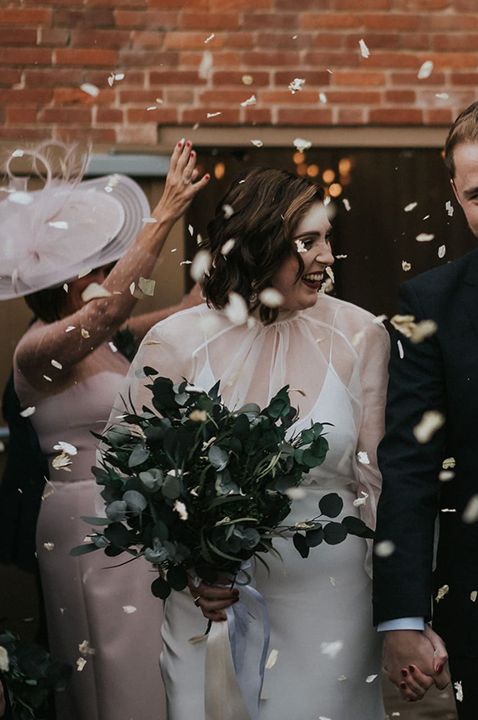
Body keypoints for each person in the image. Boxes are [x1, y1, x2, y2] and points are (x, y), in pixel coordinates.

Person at [109, 167, 391, 719]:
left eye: (328, 238)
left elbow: (379, 480)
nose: (328, 257)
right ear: (260, 242)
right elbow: (129, 476)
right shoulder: (175, 342)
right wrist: (189, 566)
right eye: (308, 242)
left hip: (330, 597)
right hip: (209, 603)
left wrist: (404, 608)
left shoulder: (362, 335)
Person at [1, 139, 208, 720]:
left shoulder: (108, 349)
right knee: (110, 673)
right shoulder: (36, 353)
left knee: (146, 670)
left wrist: (210, 281)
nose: (106, 275)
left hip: (134, 517)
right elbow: (106, 313)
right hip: (87, 518)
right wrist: (163, 214)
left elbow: (156, 317)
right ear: (70, 281)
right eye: (95, 267)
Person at [372, 102, 478, 718]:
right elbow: (410, 466)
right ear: (456, 197)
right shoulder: (428, 304)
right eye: (476, 194)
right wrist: (402, 617)